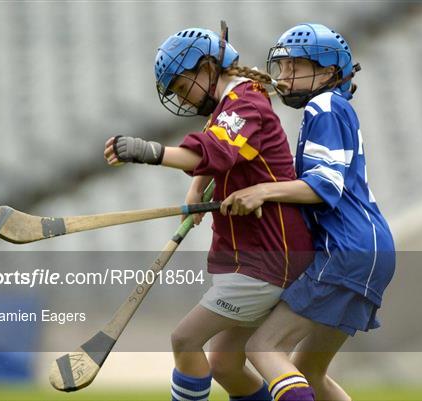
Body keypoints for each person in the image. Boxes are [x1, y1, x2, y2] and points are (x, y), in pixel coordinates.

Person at [104, 26, 314, 401]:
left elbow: (210, 152)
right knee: (225, 364)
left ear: (208, 66)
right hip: (259, 255)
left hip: (271, 256)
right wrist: (196, 187)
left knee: (185, 339)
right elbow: (215, 155)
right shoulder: (233, 105)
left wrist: (145, 151)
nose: (184, 99)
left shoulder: (245, 104)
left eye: (184, 87)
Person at [220, 23, 396, 401]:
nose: (284, 76)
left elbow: (326, 185)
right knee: (310, 373)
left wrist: (261, 191)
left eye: (295, 66)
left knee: (263, 348)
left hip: (345, 250)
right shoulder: (333, 108)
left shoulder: (325, 105)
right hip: (370, 249)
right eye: (282, 67)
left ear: (329, 71)